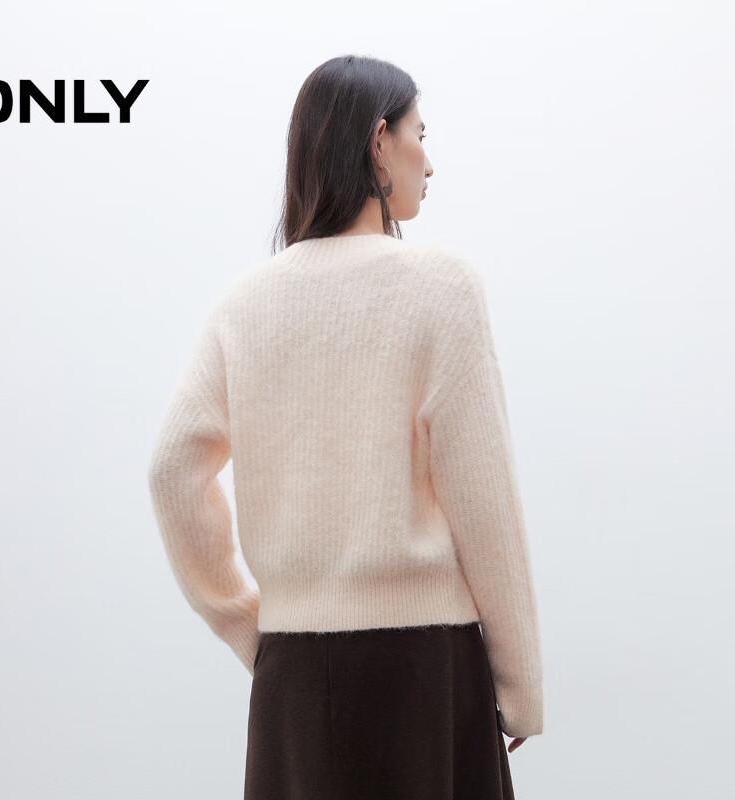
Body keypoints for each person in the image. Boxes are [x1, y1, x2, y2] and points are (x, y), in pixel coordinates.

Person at [148, 54, 544, 800]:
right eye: (420, 134)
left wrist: (249, 625)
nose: (430, 161)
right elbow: (483, 498)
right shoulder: (441, 288)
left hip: (293, 677)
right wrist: (521, 685)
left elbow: (172, 470)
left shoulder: (244, 305)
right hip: (427, 674)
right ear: (378, 141)